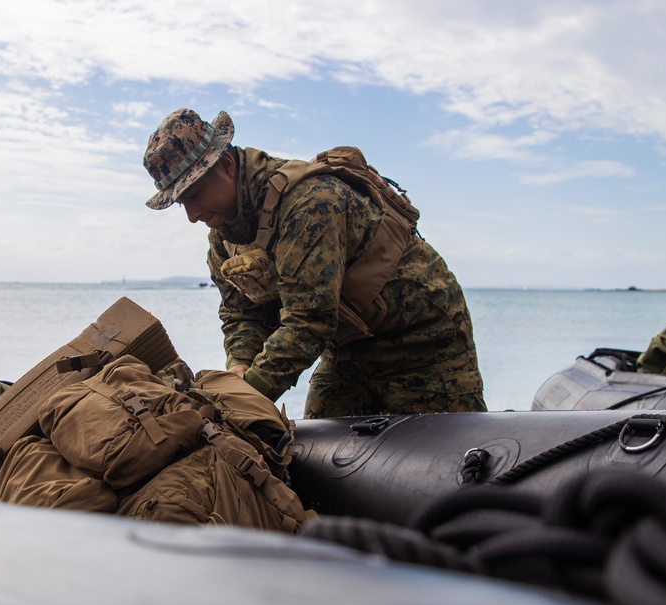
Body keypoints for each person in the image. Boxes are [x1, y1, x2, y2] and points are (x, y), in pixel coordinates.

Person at [142, 107, 486, 418]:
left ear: (227, 166)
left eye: (194, 195)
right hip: (347, 352)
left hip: (425, 342)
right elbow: (241, 313)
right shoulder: (222, 238)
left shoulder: (308, 203)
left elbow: (310, 320)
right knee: (320, 464)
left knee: (463, 472)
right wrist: (240, 366)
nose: (192, 215)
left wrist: (244, 398)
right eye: (180, 204)